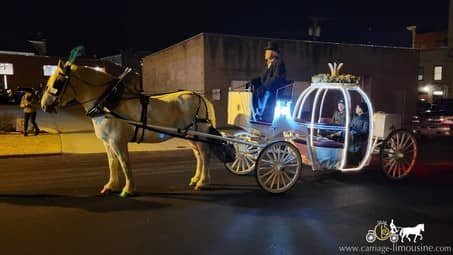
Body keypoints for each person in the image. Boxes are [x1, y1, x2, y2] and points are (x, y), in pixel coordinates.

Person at [247, 41, 287, 122]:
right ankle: (254, 113)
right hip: (266, 87)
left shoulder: (278, 63)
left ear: (272, 53)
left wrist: (265, 86)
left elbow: (276, 78)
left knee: (262, 92)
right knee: (254, 91)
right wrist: (253, 81)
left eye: (267, 51)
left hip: (273, 89)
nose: (265, 53)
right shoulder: (267, 64)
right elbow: (262, 78)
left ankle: (260, 114)